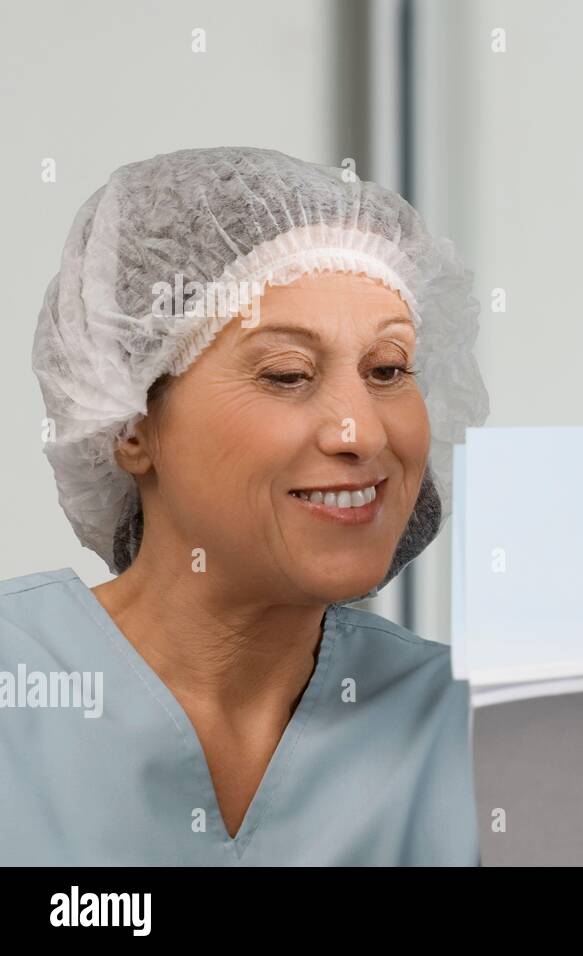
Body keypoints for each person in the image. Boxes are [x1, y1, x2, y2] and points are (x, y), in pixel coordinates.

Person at [2, 146, 488, 864]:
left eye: (388, 370)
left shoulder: (478, 732)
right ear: (129, 426)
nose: (362, 432)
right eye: (287, 374)